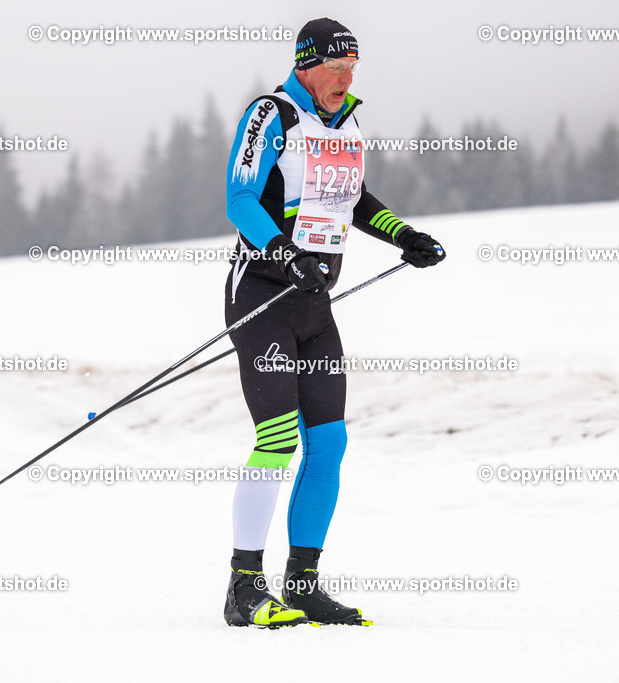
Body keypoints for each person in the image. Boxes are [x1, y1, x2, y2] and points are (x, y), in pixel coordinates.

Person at [222, 17, 446, 628]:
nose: (346, 79)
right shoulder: (272, 115)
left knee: (330, 444)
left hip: (314, 308)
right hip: (262, 298)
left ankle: (302, 582)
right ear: (306, 64)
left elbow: (355, 200)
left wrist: (406, 235)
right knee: (277, 439)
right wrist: (284, 252)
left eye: (353, 68)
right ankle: (243, 588)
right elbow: (239, 199)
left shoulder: (344, 121)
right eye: (336, 68)